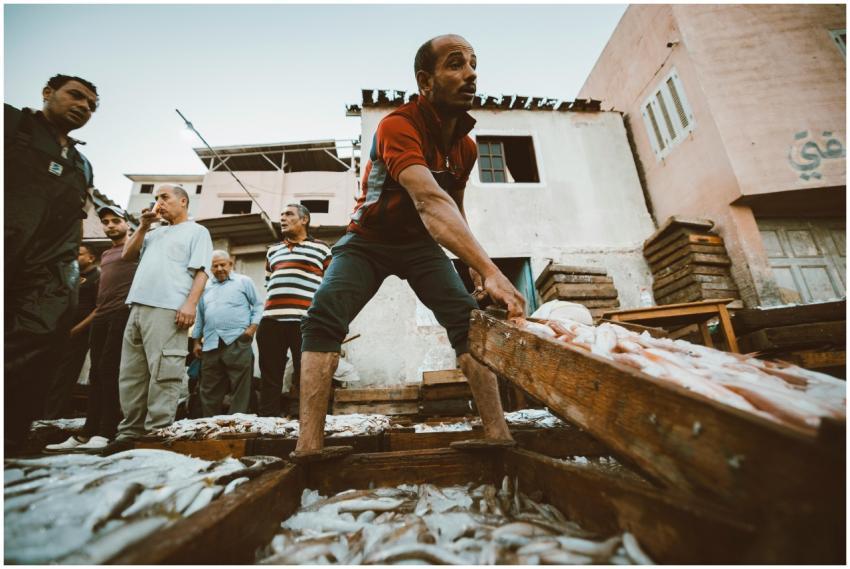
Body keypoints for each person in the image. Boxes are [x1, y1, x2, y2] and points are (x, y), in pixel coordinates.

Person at [292, 35, 526, 462]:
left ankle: (497, 432)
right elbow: (429, 201)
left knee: (467, 321)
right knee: (324, 315)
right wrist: (492, 270)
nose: (471, 73)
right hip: (369, 240)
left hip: (420, 246)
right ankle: (309, 446)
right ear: (426, 80)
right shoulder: (396, 125)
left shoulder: (466, 146)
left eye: (474, 64)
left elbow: (453, 207)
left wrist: (474, 265)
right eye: (456, 65)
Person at [5, 74, 99, 452]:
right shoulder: (12, 125)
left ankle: (10, 433)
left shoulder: (82, 164)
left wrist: (65, 273)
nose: (84, 107)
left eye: (91, 106)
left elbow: (74, 219)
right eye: (76, 96)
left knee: (42, 337)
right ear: (47, 93)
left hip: (47, 268)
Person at [103, 185, 213, 454]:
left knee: (164, 372)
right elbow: (127, 255)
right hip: (137, 306)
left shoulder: (197, 231)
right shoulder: (153, 232)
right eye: (156, 199)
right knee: (132, 374)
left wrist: (190, 304)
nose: (159, 203)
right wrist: (141, 226)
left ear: (183, 201)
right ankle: (129, 432)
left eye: (165, 197)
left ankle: (156, 433)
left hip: (168, 307)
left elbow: (201, 271)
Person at [45, 205, 138, 452]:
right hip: (101, 316)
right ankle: (88, 431)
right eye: (106, 222)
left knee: (110, 369)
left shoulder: (137, 249)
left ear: (127, 223)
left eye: (115, 221)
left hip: (123, 313)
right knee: (96, 372)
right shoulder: (106, 255)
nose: (110, 226)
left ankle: (108, 430)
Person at [257, 204, 331, 416]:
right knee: (270, 376)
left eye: (289, 214)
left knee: (306, 375)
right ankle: (267, 422)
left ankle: (305, 421)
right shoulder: (273, 251)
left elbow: (329, 287)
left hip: (304, 321)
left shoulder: (322, 249)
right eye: (281, 215)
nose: (283, 218)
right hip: (271, 321)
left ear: (304, 219)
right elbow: (270, 283)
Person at [191, 250, 262, 416]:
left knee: (241, 388)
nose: (219, 268)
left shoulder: (244, 281)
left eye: (223, 264)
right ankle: (209, 425)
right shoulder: (205, 287)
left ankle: (235, 425)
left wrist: (250, 331)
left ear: (231, 263)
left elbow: (258, 305)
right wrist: (196, 341)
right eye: (215, 266)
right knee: (208, 389)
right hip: (210, 344)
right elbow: (200, 316)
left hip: (237, 341)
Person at [42, 243, 100, 420]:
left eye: (80, 254)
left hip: (80, 335)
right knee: (53, 376)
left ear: (91, 258)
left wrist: (75, 330)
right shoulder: (72, 276)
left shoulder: (97, 277)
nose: (75, 258)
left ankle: (52, 418)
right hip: (60, 334)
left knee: (64, 377)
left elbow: (98, 308)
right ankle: (47, 414)